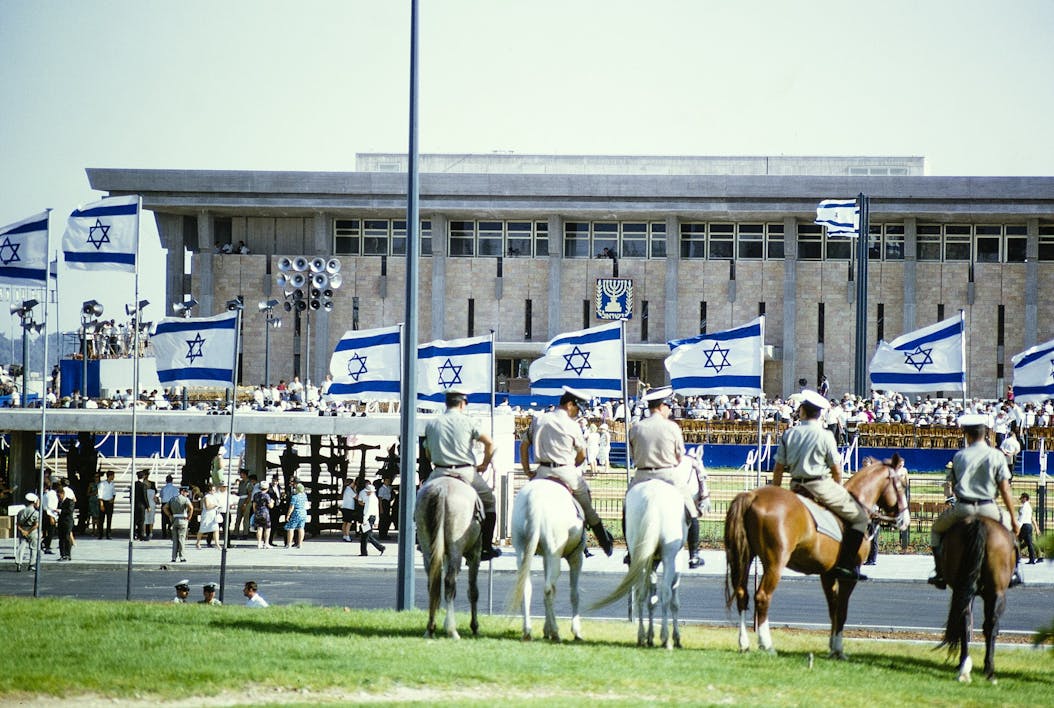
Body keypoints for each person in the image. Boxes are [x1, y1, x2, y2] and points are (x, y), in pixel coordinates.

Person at [772, 389, 870, 581]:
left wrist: (776, 492)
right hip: (820, 485)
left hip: (795, 487)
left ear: (802, 412)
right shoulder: (826, 435)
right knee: (860, 519)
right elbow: (837, 469)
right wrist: (838, 488)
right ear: (820, 413)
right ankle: (847, 564)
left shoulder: (789, 434)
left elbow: (778, 469)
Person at [928, 414, 1021, 589]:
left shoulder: (959, 456)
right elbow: (1005, 489)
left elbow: (954, 486)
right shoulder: (996, 455)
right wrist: (1014, 519)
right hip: (989, 508)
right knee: (1009, 533)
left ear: (968, 435)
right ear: (985, 434)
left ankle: (940, 572)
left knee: (936, 530)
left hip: (963, 508)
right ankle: (1014, 570)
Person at [520, 386, 614, 556]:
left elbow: (524, 445)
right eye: (578, 409)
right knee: (586, 506)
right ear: (570, 405)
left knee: (524, 503)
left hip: (541, 472)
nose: (578, 413)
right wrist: (573, 465)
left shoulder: (539, 420)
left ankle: (525, 537)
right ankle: (604, 541)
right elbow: (582, 455)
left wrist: (527, 470)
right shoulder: (572, 425)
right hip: (565, 472)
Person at [421, 389, 501, 559]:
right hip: (464, 471)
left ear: (446, 403)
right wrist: (485, 464)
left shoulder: (433, 423)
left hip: (439, 471)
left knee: (420, 501)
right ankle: (486, 546)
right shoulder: (468, 421)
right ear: (462, 403)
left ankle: (420, 538)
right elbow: (489, 443)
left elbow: (427, 453)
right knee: (489, 502)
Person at [627, 387, 701, 567]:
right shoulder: (671, 426)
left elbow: (632, 455)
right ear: (661, 406)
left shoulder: (636, 427)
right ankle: (694, 553)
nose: (669, 409)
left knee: (627, 508)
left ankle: (630, 553)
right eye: (668, 405)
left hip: (642, 475)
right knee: (692, 510)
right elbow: (679, 457)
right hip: (667, 474)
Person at [165, 485, 193, 563]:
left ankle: (173, 557)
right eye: (186, 492)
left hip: (174, 520)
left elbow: (165, 507)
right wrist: (189, 516)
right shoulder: (185, 499)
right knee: (181, 539)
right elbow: (191, 508)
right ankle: (182, 557)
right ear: (182, 491)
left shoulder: (173, 499)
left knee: (175, 540)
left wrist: (170, 515)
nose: (187, 494)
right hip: (183, 519)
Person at [357, 481, 385, 556]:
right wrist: (377, 520)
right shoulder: (375, 499)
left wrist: (364, 520)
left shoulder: (369, 500)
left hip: (368, 518)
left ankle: (379, 547)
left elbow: (367, 511)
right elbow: (376, 511)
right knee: (366, 535)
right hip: (373, 517)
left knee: (366, 536)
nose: (367, 493)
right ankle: (367, 551)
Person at [15, 493, 40, 572]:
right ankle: (31, 564)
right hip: (32, 531)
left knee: (21, 547)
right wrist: (28, 531)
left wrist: (23, 531)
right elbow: (36, 525)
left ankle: (19, 563)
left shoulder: (20, 512)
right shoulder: (36, 513)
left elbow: (17, 524)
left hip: (22, 530)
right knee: (33, 548)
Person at [196, 483, 220, 549]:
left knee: (216, 529)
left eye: (214, 490)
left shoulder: (215, 496)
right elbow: (207, 506)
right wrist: (215, 505)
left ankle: (217, 544)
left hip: (213, 514)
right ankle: (198, 542)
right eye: (213, 490)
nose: (214, 491)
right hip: (207, 514)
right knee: (202, 529)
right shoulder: (206, 497)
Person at [284, 482, 308, 548]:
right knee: (301, 528)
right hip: (303, 512)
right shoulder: (304, 496)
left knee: (291, 528)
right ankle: (300, 544)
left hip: (296, 512)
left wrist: (288, 515)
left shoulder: (294, 497)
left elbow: (291, 507)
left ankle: (289, 544)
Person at [56, 484, 76, 561]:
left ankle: (68, 554)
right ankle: (62, 554)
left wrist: (60, 511)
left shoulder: (69, 501)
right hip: (61, 521)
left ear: (63, 494)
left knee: (67, 538)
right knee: (61, 538)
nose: (59, 497)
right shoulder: (59, 502)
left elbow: (70, 511)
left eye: (59, 496)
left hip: (68, 522)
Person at [1018, 492, 1038, 564]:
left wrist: (1018, 527)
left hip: (1024, 526)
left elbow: (1022, 518)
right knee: (1029, 543)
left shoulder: (1024, 507)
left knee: (1017, 541)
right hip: (1029, 525)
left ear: (1025, 498)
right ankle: (1032, 559)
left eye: (1022, 498)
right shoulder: (1029, 506)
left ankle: (1016, 558)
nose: (1021, 500)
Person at [252, 481, 274, 549]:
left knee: (259, 528)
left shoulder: (256, 495)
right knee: (267, 528)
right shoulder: (267, 496)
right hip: (265, 513)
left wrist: (255, 511)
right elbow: (270, 506)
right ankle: (266, 543)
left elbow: (254, 505)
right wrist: (272, 502)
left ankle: (259, 543)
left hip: (258, 512)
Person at [97, 470, 116, 539]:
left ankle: (108, 534)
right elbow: (100, 494)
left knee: (109, 519)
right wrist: (101, 504)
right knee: (101, 519)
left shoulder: (112, 483)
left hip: (110, 502)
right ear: (110, 476)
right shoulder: (102, 484)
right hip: (103, 501)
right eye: (113, 475)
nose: (114, 477)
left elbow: (114, 493)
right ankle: (100, 534)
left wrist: (113, 499)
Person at [133, 470, 150, 541]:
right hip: (141, 505)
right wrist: (148, 506)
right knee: (141, 520)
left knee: (135, 520)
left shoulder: (134, 484)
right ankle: (141, 535)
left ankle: (133, 534)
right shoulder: (143, 485)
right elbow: (144, 496)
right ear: (143, 477)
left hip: (135, 504)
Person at [340, 477, 358, 543]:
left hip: (345, 507)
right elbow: (357, 497)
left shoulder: (346, 489)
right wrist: (355, 490)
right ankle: (347, 536)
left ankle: (344, 535)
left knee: (345, 522)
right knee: (349, 523)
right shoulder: (350, 490)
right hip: (349, 508)